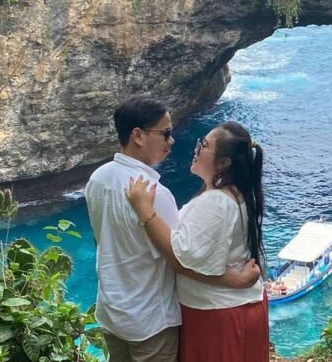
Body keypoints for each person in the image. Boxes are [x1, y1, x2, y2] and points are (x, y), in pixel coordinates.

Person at [86, 96, 260, 362]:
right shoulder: (156, 194)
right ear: (138, 136)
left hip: (112, 311)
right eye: (166, 133)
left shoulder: (98, 179)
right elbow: (180, 260)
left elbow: (102, 240)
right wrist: (233, 280)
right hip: (150, 318)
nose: (172, 140)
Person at [125, 121, 269, 362]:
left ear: (223, 163)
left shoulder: (216, 202)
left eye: (204, 145)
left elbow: (180, 259)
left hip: (218, 312)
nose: (196, 148)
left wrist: (145, 211)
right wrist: (233, 279)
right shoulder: (233, 193)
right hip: (229, 307)